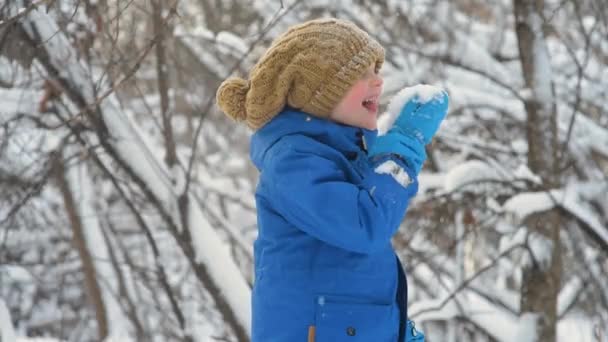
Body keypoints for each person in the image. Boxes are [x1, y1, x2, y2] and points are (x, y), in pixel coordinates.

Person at [216, 17, 448, 342]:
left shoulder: (339, 155)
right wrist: (403, 146)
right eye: (361, 73)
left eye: (376, 70)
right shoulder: (293, 161)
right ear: (319, 94)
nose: (378, 82)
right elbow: (366, 225)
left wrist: (392, 330)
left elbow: (349, 271)